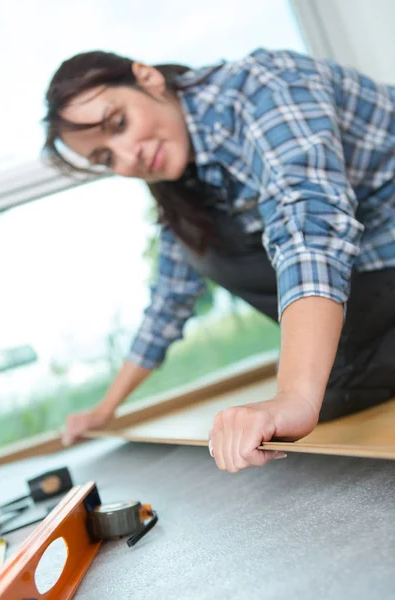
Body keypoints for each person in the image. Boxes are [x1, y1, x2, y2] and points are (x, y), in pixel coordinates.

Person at [43, 47, 395, 473]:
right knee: (197, 241)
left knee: (324, 395)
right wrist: (106, 409)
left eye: (119, 123)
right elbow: (170, 299)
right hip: (374, 279)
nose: (127, 155)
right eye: (106, 157)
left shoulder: (263, 86)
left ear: (147, 77)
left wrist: (295, 396)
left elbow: (311, 221)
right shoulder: (187, 178)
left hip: (380, 259)